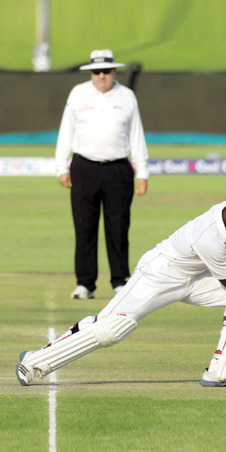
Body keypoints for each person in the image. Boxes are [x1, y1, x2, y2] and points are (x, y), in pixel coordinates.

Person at [16, 191, 226, 387]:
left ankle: (220, 371)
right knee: (112, 329)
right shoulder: (210, 238)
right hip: (159, 274)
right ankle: (34, 362)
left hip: (193, 277)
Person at [55, 49, 149, 300]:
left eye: (106, 71)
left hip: (118, 168)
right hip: (84, 166)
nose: (101, 76)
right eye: (96, 72)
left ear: (114, 71)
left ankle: (120, 281)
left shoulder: (126, 96)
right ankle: (85, 284)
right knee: (84, 227)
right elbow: (67, 131)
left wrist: (142, 171)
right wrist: (61, 167)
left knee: (118, 227)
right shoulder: (78, 93)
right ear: (91, 73)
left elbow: (136, 135)